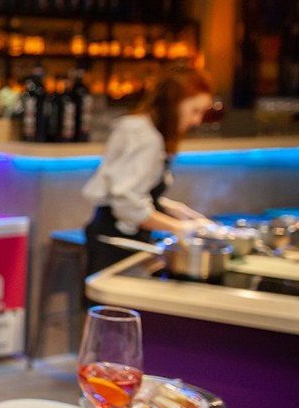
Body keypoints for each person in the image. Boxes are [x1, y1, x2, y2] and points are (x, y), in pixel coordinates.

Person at [81, 66, 215, 277]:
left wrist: (174, 209)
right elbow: (127, 204)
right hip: (117, 244)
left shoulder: (142, 128)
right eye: (194, 111)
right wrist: (179, 227)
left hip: (119, 238)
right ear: (174, 104)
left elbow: (132, 190)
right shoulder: (144, 136)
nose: (196, 121)